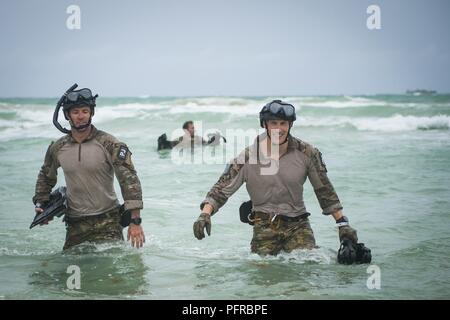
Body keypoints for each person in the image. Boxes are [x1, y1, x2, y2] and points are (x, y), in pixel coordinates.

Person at [193, 100, 359, 256]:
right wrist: (204, 215)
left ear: (290, 125)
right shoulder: (247, 157)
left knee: (305, 275)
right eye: (273, 123)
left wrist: (343, 224)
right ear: (265, 125)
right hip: (264, 227)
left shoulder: (308, 153)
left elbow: (324, 191)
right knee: (264, 281)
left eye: (283, 123)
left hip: (299, 227)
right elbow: (221, 190)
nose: (278, 129)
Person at [32, 85, 145, 250]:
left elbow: (129, 180)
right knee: (71, 271)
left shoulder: (109, 143)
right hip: (75, 223)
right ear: (67, 115)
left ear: (91, 113)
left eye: (85, 111)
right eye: (76, 112)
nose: (81, 116)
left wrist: (135, 221)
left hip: (108, 221)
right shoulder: (58, 147)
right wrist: (41, 205)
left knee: (112, 272)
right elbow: (45, 175)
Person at [157, 121, 224, 151]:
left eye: (194, 128)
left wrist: (214, 139)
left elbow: (207, 144)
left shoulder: (198, 138)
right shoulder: (181, 139)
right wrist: (163, 142)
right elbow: (172, 145)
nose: (194, 129)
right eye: (192, 128)